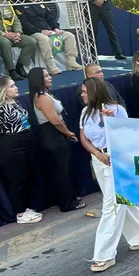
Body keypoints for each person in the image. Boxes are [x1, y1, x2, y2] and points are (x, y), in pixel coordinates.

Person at [79, 78, 139, 272]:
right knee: (120, 200)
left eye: (85, 91)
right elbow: (83, 137)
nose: (82, 94)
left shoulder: (117, 110)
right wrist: (95, 154)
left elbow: (127, 135)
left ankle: (104, 254)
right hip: (99, 158)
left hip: (116, 158)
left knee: (111, 206)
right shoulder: (85, 113)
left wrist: (112, 121)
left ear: (94, 92)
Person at [0, 76, 42, 224]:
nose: (16, 88)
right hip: (10, 147)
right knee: (16, 180)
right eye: (12, 86)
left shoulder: (14, 102)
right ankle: (20, 213)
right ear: (3, 90)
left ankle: (26, 207)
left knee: (26, 177)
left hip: (24, 143)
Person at [26, 68, 85, 213]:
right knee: (61, 170)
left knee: (61, 169)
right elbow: (55, 120)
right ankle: (66, 203)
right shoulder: (42, 97)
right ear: (38, 80)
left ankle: (68, 197)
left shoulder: (44, 95)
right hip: (52, 136)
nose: (50, 77)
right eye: (46, 76)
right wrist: (68, 133)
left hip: (53, 135)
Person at [15, 0, 81, 74]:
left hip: (49, 30)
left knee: (69, 35)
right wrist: (41, 31)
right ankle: (51, 65)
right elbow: (25, 24)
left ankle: (71, 62)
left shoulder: (41, 4)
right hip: (34, 33)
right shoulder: (20, 6)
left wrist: (56, 28)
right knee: (44, 39)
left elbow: (51, 18)